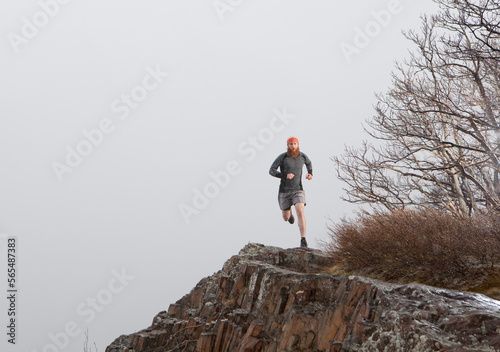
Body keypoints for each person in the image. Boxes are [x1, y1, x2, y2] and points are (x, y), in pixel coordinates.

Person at [269, 136, 313, 248]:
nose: (293, 146)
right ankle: (289, 212)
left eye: (295, 144)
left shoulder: (302, 156)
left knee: (300, 210)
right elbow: (271, 170)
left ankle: (303, 239)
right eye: (291, 144)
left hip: (298, 189)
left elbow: (309, 163)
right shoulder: (283, 157)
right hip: (284, 191)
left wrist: (310, 173)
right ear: (287, 146)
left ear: (298, 145)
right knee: (286, 218)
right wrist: (284, 175)